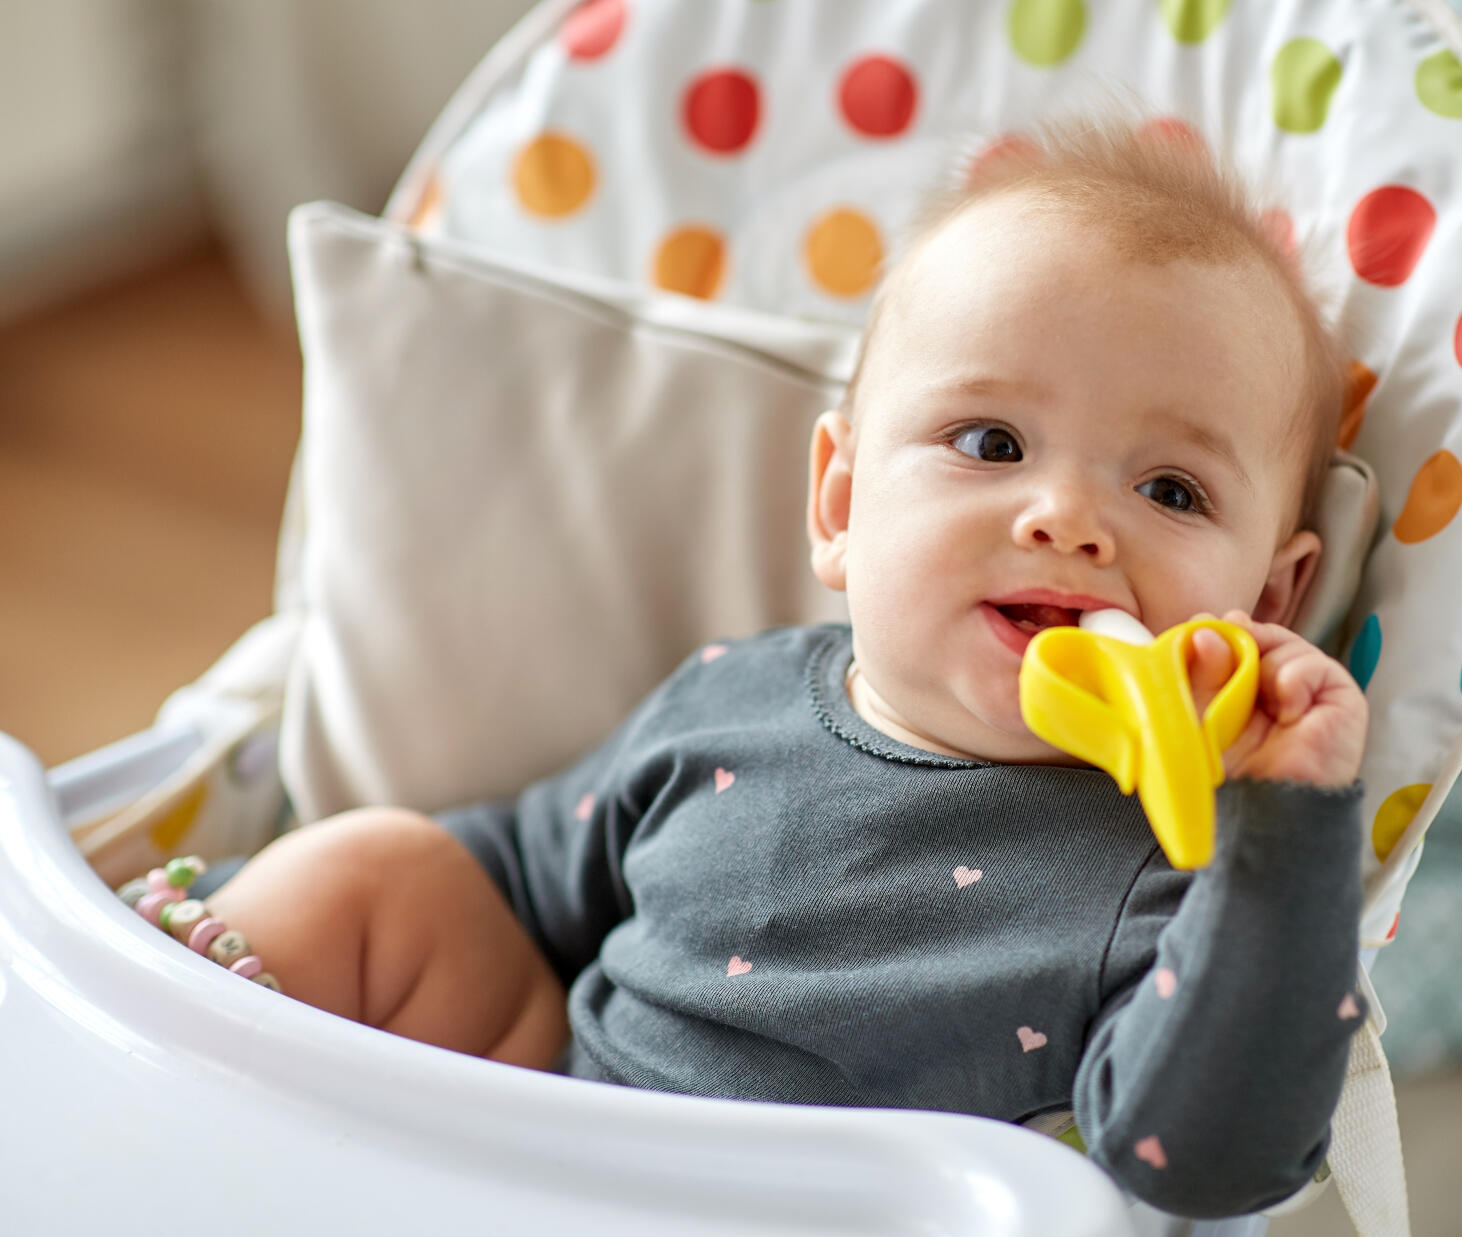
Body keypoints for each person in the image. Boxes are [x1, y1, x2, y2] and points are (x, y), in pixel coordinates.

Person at [187, 113, 1372, 1218]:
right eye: (989, 443)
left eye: (1168, 490)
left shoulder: (1176, 865)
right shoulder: (730, 696)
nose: (1065, 516)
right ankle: (174, 1061)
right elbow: (530, 868)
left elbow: (1209, 1162)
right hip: (540, 1149)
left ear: (1265, 600)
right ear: (842, 503)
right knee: (384, 868)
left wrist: (1283, 830)